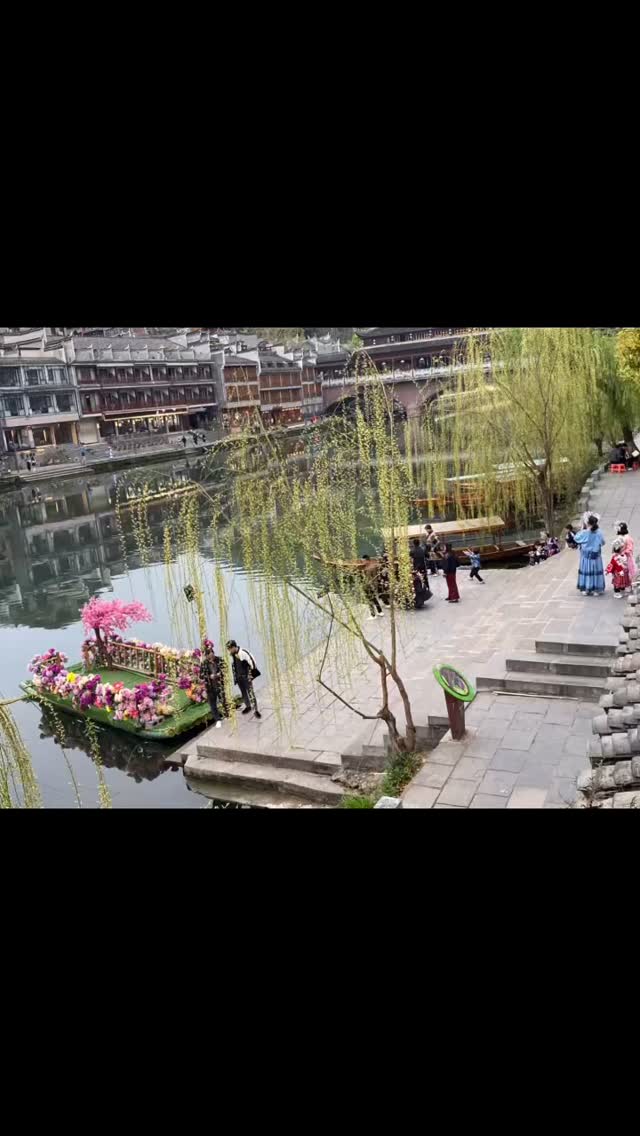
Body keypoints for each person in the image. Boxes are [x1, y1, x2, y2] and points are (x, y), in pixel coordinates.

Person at [226, 639, 261, 717]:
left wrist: (251, 673)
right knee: (243, 693)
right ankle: (248, 706)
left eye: (229, 649)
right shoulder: (233, 655)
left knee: (250, 692)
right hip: (239, 677)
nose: (229, 651)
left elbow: (252, 661)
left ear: (234, 647)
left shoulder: (243, 652)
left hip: (246, 676)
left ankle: (256, 709)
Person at [573, 514, 606, 595]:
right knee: (596, 571)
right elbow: (603, 542)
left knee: (586, 571)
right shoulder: (599, 532)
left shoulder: (584, 532)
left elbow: (576, 538)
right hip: (596, 556)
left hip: (586, 556)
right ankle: (596, 590)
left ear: (587, 523)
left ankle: (586, 589)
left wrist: (582, 529)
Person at [200, 638, 224, 727]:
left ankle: (227, 714)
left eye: (212, 654)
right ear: (206, 656)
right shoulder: (204, 664)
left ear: (213, 653)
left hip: (220, 684)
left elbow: (225, 670)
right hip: (210, 687)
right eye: (208, 656)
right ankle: (217, 719)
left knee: (223, 700)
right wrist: (209, 676)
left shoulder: (220, 660)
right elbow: (201, 675)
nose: (211, 657)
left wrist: (219, 674)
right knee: (213, 704)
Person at [616, 522, 636, 586]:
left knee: (629, 571)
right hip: (622, 557)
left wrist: (623, 552)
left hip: (627, 558)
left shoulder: (628, 538)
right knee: (623, 571)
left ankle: (630, 584)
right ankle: (625, 583)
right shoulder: (621, 537)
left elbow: (630, 549)